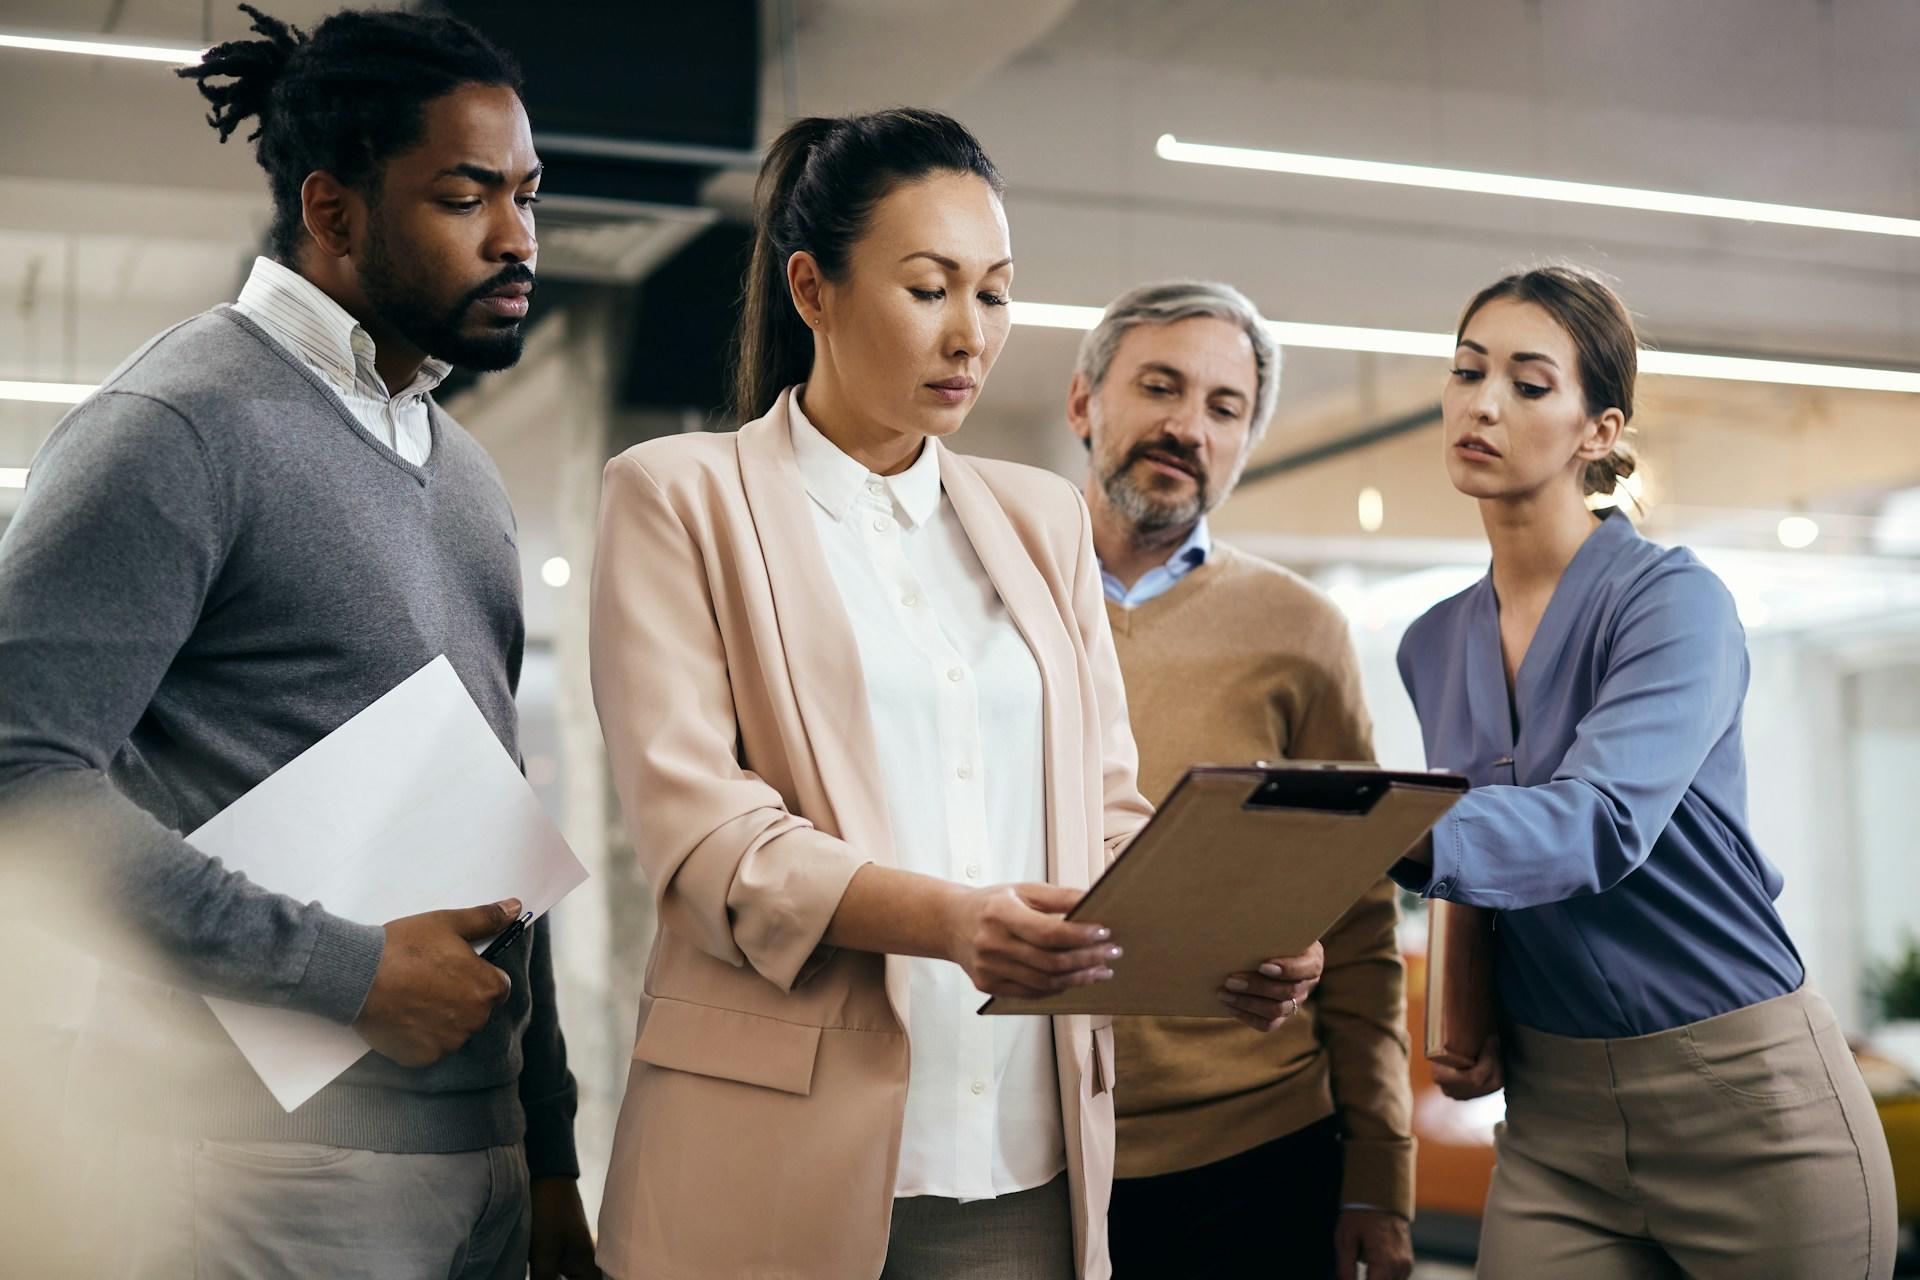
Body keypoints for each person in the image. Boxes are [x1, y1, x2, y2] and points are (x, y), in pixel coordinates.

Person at [587, 109, 1323, 1280]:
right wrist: (947, 921)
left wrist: (1218, 929)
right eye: (929, 288)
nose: (969, 336)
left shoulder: (1038, 519)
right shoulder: (682, 497)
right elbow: (703, 833)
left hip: (1022, 1154)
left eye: (994, 293)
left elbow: (1104, 808)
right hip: (778, 1143)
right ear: (812, 291)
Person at [0, 7, 596, 1277]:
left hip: (479, 1160)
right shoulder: (182, 422)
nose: (519, 238)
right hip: (266, 1169)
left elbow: (494, 832)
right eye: (466, 195)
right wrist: (347, 969)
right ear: (332, 212)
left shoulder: (466, 472)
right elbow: (19, 775)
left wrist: (546, 1146)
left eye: (528, 195)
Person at [1393, 264, 1897, 1279]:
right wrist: (1462, 1004)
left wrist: (1359, 832)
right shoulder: (1432, 640)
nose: (1482, 401)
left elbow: (1599, 821)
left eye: (1530, 383)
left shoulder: (1674, 603)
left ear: (1599, 430)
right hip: (1554, 1118)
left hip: (1746, 1099)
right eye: (1466, 370)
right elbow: (1471, 839)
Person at [1064, 281, 1414, 1280]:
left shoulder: (1302, 629)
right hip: (1024, 1139)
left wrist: (1380, 1169)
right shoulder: (998, 597)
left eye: (1225, 407)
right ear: (1084, 401)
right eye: (1159, 387)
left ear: (1248, 439)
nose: (1187, 426)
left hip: (1254, 1154)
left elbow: (1356, 916)